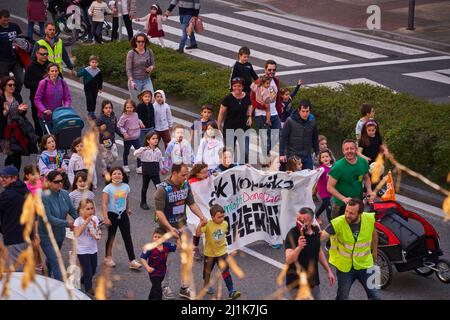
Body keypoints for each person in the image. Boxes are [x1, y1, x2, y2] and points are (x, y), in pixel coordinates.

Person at [154, 163, 207, 300]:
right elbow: (159, 212)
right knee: (168, 260)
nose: (186, 177)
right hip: (166, 229)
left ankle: (184, 287)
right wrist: (169, 228)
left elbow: (192, 204)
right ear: (174, 173)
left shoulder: (185, 185)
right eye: (183, 174)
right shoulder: (162, 189)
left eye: (186, 174)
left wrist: (201, 216)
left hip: (183, 226)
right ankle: (164, 286)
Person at [320, 198, 380, 300]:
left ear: (360, 214)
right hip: (345, 269)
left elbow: (374, 234)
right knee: (342, 297)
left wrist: (375, 252)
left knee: (376, 297)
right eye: (346, 211)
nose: (347, 215)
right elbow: (322, 236)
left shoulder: (369, 219)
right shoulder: (338, 222)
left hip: (367, 265)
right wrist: (311, 233)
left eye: (351, 213)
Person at [285, 207, 335, 300]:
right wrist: (299, 248)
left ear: (312, 221)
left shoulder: (315, 230)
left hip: (313, 281)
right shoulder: (292, 235)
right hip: (297, 283)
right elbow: (288, 259)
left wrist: (329, 271)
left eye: (304, 221)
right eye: (298, 219)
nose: (300, 223)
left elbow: (318, 251)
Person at [196, 204, 241, 299]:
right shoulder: (208, 224)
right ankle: (206, 285)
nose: (221, 218)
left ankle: (231, 291)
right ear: (212, 217)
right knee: (207, 272)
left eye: (222, 216)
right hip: (210, 254)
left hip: (222, 253)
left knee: (225, 271)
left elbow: (223, 235)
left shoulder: (225, 224)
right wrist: (200, 224)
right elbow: (197, 233)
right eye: (219, 217)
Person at [39, 170, 78, 280]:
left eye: (61, 181)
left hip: (59, 235)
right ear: (49, 183)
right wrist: (67, 223)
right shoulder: (43, 197)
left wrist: (81, 221)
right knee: (57, 261)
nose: (60, 183)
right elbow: (48, 218)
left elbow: (72, 210)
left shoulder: (65, 194)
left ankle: (46, 276)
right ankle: (61, 290)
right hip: (46, 236)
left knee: (52, 260)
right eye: (56, 182)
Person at [102, 166, 142, 270]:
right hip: (112, 215)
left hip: (123, 214)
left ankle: (132, 260)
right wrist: (106, 218)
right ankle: (108, 258)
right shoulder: (108, 188)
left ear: (123, 175)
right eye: (114, 173)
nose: (117, 175)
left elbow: (126, 198)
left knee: (127, 236)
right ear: (111, 176)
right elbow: (104, 204)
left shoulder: (126, 187)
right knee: (111, 237)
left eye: (119, 173)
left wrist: (128, 208)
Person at [327, 139, 375, 218]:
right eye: (347, 149)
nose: (349, 151)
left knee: (355, 225)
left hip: (357, 202)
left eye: (352, 148)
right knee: (338, 229)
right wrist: (344, 199)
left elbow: (366, 178)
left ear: (356, 149)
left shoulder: (363, 162)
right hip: (341, 205)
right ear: (343, 151)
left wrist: (369, 191)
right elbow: (329, 187)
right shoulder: (338, 167)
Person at [249, 60, 283, 163]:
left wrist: (279, 112)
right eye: (269, 70)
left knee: (277, 135)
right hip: (262, 114)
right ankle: (265, 160)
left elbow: (277, 98)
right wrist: (262, 106)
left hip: (274, 113)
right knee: (266, 139)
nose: (271, 72)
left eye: (274, 70)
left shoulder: (276, 81)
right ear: (265, 69)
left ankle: (267, 155)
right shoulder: (259, 81)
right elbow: (251, 98)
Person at [0, 166, 33, 270]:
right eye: (1, 177)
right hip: (27, 235)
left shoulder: (7, 195)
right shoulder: (26, 191)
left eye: (5, 177)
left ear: (14, 178)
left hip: (13, 236)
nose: (2, 179)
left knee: (15, 269)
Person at [1, 76, 37, 170]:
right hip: (6, 130)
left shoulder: (17, 96)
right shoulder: (1, 98)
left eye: (14, 85)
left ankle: (15, 176)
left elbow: (22, 112)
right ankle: (7, 175)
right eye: (10, 85)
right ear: (4, 86)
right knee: (11, 154)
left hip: (18, 129)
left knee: (18, 153)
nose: (12, 87)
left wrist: (22, 111)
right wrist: (5, 112)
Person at [217, 77, 251, 165]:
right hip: (230, 128)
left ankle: (244, 170)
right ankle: (229, 170)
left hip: (243, 127)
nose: (237, 88)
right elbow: (221, 114)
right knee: (229, 153)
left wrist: (250, 116)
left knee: (245, 152)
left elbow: (250, 106)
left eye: (239, 86)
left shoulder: (247, 96)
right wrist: (218, 126)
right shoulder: (227, 98)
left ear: (242, 87)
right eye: (234, 86)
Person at [280, 99, 319, 170]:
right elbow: (283, 138)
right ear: (299, 110)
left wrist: (317, 152)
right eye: (303, 111)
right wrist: (282, 154)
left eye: (307, 111)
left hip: (307, 156)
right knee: (292, 178)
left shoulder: (312, 121)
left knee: (308, 177)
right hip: (293, 156)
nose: (305, 114)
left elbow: (315, 138)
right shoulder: (290, 121)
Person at [140, 227, 177, 300]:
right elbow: (142, 258)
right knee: (158, 290)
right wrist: (147, 267)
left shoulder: (167, 245)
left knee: (154, 288)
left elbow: (177, 247)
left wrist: (177, 237)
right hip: (153, 272)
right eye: (155, 236)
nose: (156, 238)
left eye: (159, 237)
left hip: (162, 272)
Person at [74, 198, 101, 296]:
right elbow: (76, 233)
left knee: (93, 269)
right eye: (87, 209)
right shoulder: (78, 221)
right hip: (82, 250)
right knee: (88, 271)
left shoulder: (95, 219)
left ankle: (84, 279)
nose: (90, 211)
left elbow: (97, 230)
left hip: (93, 248)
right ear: (81, 210)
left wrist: (98, 233)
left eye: (91, 208)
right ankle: (88, 290)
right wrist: (86, 222)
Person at [34, 63, 71, 134]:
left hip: (58, 116)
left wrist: (66, 108)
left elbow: (67, 98)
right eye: (52, 71)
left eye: (56, 71)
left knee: (58, 136)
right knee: (49, 136)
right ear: (48, 72)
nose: (54, 73)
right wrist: (44, 110)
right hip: (45, 116)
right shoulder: (43, 83)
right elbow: (37, 99)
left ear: (58, 72)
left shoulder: (63, 83)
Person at [24, 45, 49, 139]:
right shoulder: (30, 67)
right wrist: (41, 83)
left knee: (50, 120)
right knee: (38, 120)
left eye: (46, 54)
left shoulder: (50, 65)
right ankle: (39, 141)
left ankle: (50, 141)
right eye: (42, 54)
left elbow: (60, 79)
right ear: (37, 54)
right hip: (36, 98)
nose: (45, 56)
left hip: (49, 98)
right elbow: (26, 84)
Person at [133, 131, 163, 210]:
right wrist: (142, 149)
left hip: (155, 172)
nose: (156, 140)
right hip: (146, 172)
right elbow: (135, 154)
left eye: (157, 138)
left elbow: (160, 160)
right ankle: (143, 202)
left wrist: (162, 169)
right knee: (145, 187)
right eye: (153, 138)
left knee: (159, 188)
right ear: (148, 140)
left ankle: (161, 203)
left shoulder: (158, 150)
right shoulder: (144, 150)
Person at [126, 33, 155, 102]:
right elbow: (128, 69)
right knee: (137, 103)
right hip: (135, 81)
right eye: (139, 41)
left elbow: (153, 64)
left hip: (146, 80)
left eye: (142, 41)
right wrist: (131, 81)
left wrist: (151, 67)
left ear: (145, 42)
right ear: (135, 42)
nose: (141, 43)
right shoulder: (131, 53)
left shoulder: (149, 51)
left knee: (151, 100)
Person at [117, 99, 144, 173]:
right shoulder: (123, 116)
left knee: (139, 151)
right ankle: (125, 165)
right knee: (126, 152)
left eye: (131, 107)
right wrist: (124, 133)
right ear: (125, 108)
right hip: (128, 138)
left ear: (134, 108)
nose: (129, 109)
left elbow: (137, 120)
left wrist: (140, 123)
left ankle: (139, 167)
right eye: (127, 107)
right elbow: (119, 126)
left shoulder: (135, 114)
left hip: (135, 137)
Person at [0, 10, 24, 91]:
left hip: (16, 59)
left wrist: (19, 44)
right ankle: (5, 99)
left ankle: (16, 95)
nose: (6, 22)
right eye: (4, 20)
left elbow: (21, 38)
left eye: (7, 20)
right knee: (4, 82)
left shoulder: (15, 26)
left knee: (20, 80)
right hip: (3, 61)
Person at [96, 100, 121, 177]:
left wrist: (122, 135)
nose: (108, 109)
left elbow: (116, 128)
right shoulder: (100, 118)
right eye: (106, 108)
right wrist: (100, 128)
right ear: (103, 109)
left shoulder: (113, 117)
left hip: (112, 141)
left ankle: (109, 166)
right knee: (104, 158)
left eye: (110, 108)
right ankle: (104, 170)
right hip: (103, 142)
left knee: (115, 155)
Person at [76, 55, 103, 120]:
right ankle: (89, 113)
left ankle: (92, 112)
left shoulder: (98, 71)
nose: (94, 64)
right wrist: (76, 72)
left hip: (95, 88)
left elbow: (100, 80)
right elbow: (79, 74)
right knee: (89, 99)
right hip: (87, 88)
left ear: (98, 63)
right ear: (89, 63)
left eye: (96, 62)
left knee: (94, 100)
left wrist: (100, 88)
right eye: (92, 62)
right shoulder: (86, 70)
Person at [315, 149, 334, 224]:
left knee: (324, 205)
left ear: (330, 158)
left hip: (330, 189)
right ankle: (331, 225)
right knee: (329, 207)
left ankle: (316, 215)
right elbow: (314, 174)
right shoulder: (321, 169)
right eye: (322, 157)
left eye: (326, 156)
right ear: (320, 159)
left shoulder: (334, 167)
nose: (325, 158)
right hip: (323, 191)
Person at [136, 89, 155, 159]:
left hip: (150, 128)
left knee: (150, 144)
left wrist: (153, 126)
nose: (147, 98)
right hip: (142, 129)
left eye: (149, 97)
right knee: (141, 144)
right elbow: (136, 117)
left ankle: (150, 157)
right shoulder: (139, 106)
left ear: (151, 98)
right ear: (142, 97)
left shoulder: (151, 105)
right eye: (145, 96)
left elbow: (153, 116)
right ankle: (141, 159)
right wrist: (139, 123)